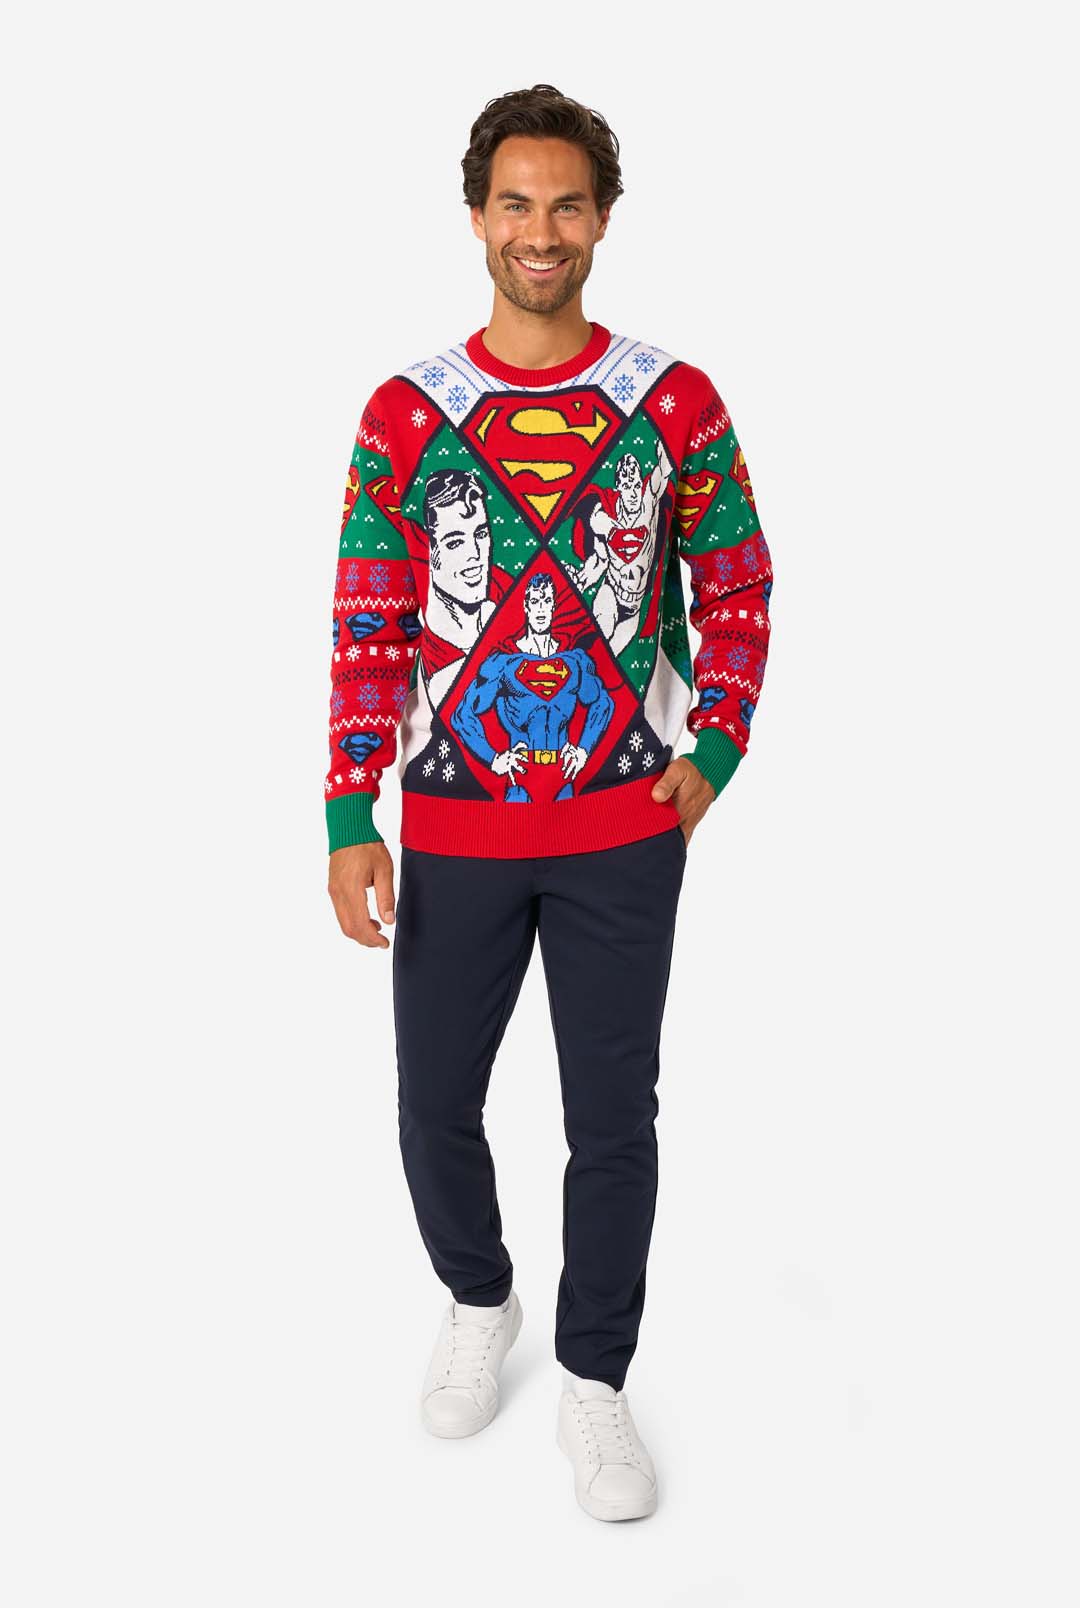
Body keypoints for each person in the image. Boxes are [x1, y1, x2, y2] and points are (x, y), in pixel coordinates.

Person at [325, 83, 773, 1523]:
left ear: (603, 220)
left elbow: (739, 581)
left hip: (624, 829)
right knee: (432, 1106)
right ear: (476, 218)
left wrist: (716, 749)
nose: (540, 230)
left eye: (566, 204)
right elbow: (369, 617)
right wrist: (349, 813)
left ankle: (595, 1378)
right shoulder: (406, 412)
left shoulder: (671, 399)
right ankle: (481, 1297)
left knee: (613, 1121)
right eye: (515, 203)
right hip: (455, 825)